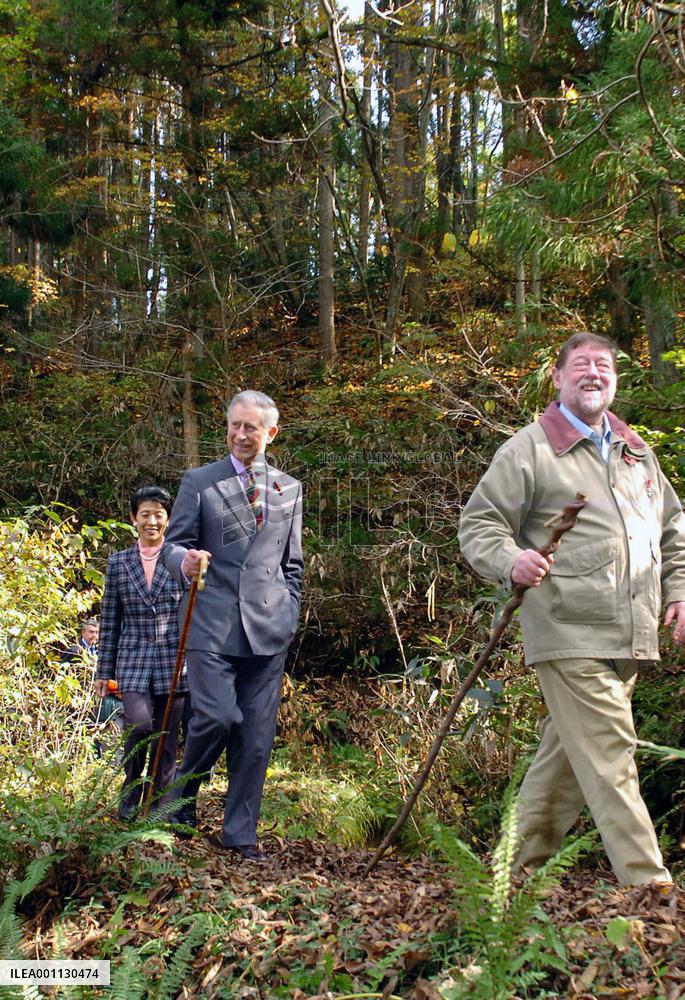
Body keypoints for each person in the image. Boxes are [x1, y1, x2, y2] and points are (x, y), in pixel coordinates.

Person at [458, 332, 685, 899]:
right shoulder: (531, 448)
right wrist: (513, 559)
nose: (593, 373)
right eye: (580, 365)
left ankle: (511, 881)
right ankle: (650, 887)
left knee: (562, 766)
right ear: (557, 379)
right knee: (612, 754)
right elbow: (479, 525)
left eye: (603, 365)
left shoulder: (637, 452)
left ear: (615, 379)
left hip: (630, 631)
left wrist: (678, 589)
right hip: (567, 627)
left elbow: (673, 532)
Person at [162, 390, 303, 862]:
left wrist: (290, 610)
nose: (241, 435)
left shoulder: (289, 488)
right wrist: (185, 562)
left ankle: (240, 834)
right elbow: (173, 544)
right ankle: (181, 799)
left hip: (269, 628)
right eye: (235, 425)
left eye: (251, 428)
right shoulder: (200, 481)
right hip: (210, 623)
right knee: (218, 718)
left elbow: (292, 564)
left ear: (271, 433)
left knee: (256, 736)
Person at [95, 486, 187, 821]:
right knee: (138, 727)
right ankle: (131, 793)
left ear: (168, 519)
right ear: (133, 518)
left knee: (165, 738)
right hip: (132, 661)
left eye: (158, 515)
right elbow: (110, 619)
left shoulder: (180, 558)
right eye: (144, 514)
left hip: (174, 661)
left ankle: (159, 807)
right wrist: (103, 672)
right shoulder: (118, 562)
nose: (151, 521)